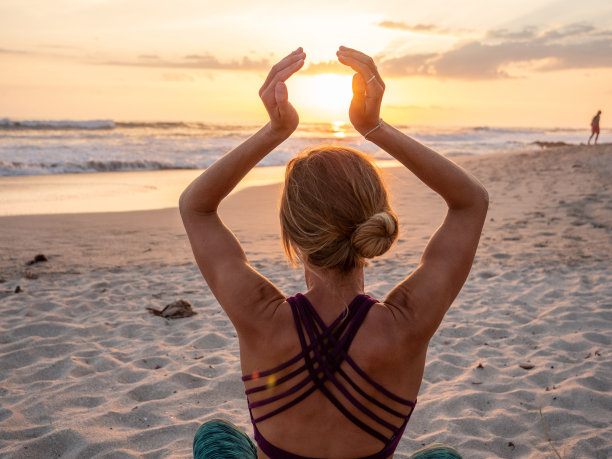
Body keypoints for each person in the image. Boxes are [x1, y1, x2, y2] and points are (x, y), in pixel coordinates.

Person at [181, 46, 488, 459]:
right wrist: (374, 126)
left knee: (215, 435)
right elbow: (471, 201)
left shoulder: (259, 316)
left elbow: (195, 206)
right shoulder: (406, 324)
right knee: (442, 457)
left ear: (291, 234)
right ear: (376, 220)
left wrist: (274, 130)